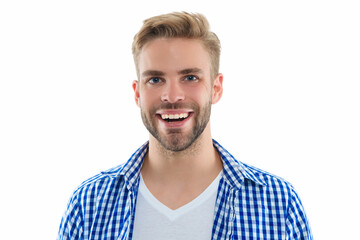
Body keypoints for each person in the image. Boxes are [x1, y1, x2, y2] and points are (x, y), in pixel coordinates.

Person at [57, 12, 312, 240]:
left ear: (216, 88)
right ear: (137, 93)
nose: (172, 95)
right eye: (155, 79)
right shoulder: (88, 205)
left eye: (190, 77)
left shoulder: (279, 204)